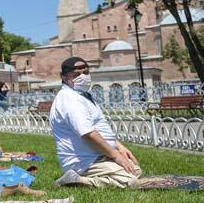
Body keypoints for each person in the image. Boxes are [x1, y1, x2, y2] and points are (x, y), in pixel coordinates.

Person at [50, 57, 141, 188]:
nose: (83, 77)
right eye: (76, 75)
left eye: (85, 73)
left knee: (136, 170)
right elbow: (88, 133)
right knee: (130, 181)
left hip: (99, 155)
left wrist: (119, 147)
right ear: (64, 77)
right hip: (85, 161)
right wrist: (116, 156)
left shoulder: (81, 95)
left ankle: (93, 176)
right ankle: (74, 180)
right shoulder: (69, 99)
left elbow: (97, 126)